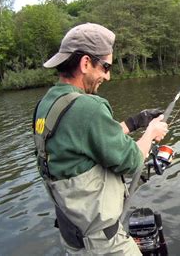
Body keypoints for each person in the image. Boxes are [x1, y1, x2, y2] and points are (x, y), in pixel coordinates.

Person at [32, 23, 168, 255]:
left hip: (74, 237)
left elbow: (85, 139)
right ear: (85, 63)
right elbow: (132, 160)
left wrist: (136, 122)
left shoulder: (47, 104)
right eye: (105, 66)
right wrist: (151, 133)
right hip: (102, 245)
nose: (107, 75)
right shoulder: (88, 107)